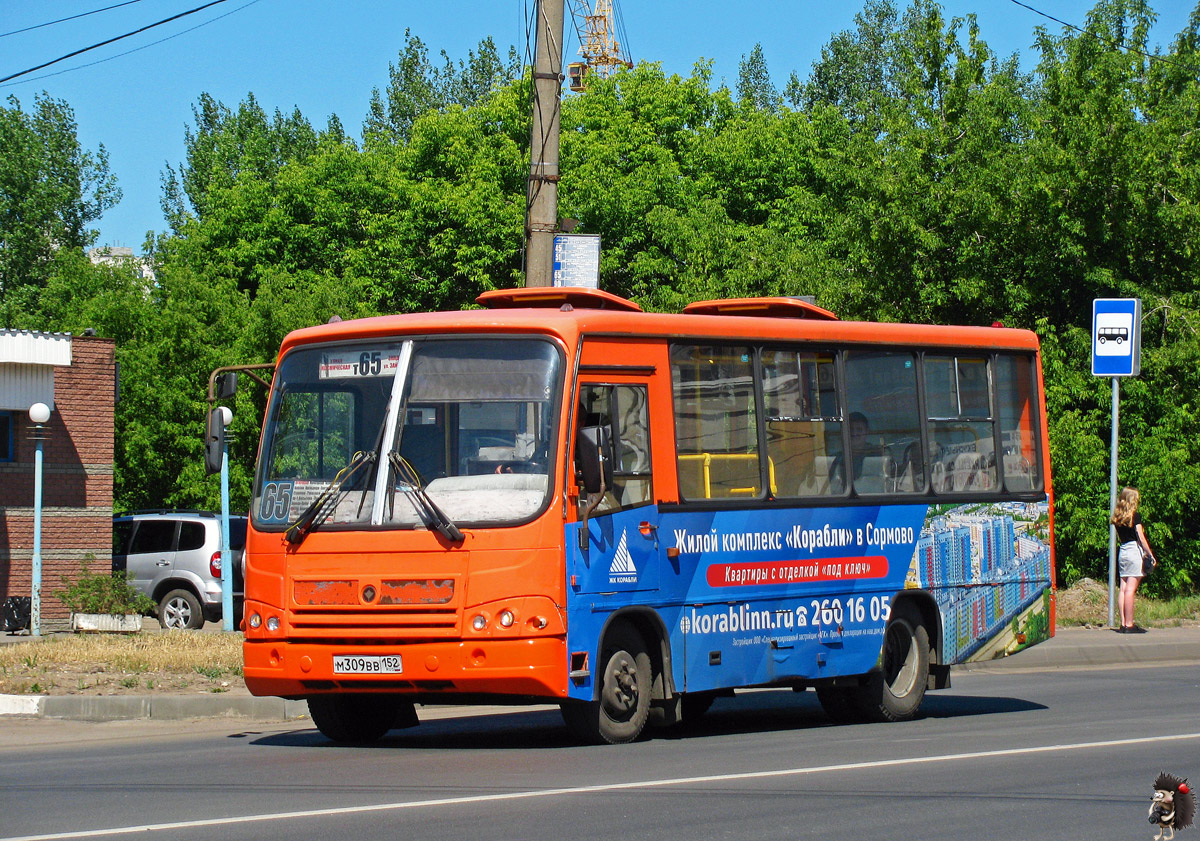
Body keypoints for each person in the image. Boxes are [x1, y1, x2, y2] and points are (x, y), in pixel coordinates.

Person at [1110, 486, 1157, 633]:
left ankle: (1123, 623)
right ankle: (1130, 624)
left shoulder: (1117, 517)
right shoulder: (1134, 517)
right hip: (1133, 551)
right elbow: (1140, 537)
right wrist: (1150, 554)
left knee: (1123, 589)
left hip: (1122, 551)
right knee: (1130, 590)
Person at [830, 411, 871, 493]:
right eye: (850, 429)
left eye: (859, 429)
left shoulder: (878, 454)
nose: (854, 433)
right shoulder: (835, 459)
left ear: (867, 431)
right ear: (844, 431)